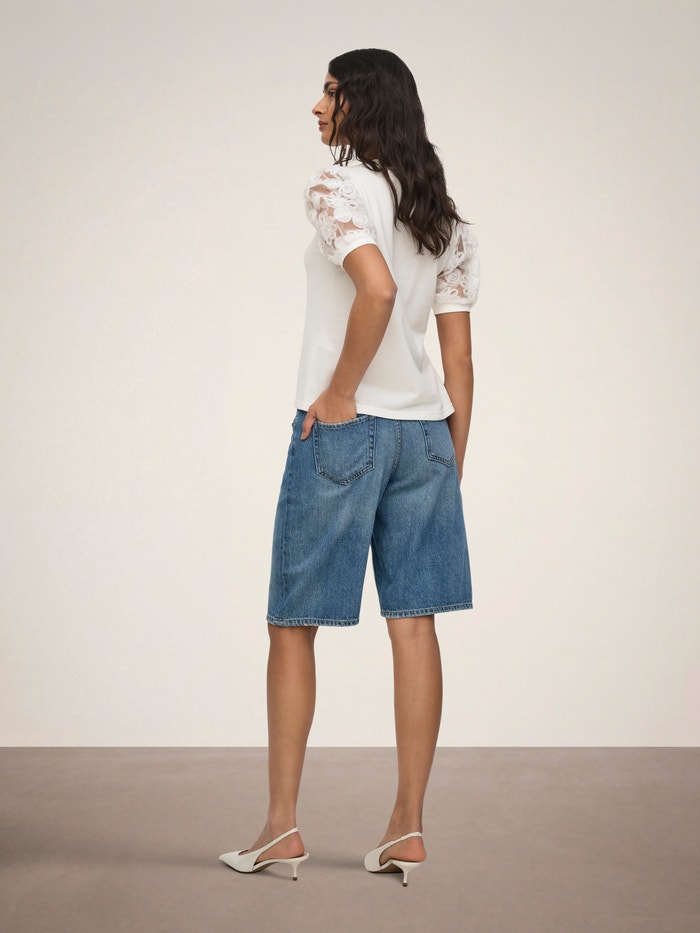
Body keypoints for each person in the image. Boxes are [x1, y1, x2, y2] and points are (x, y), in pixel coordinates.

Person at [220, 48, 480, 886]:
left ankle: (280, 827)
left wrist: (337, 393)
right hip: (427, 436)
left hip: (346, 430)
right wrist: (449, 461)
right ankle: (407, 827)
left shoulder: (335, 189)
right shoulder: (444, 217)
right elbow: (459, 361)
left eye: (329, 92)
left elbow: (374, 291)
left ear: (362, 102)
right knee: (416, 624)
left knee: (293, 622)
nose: (316, 106)